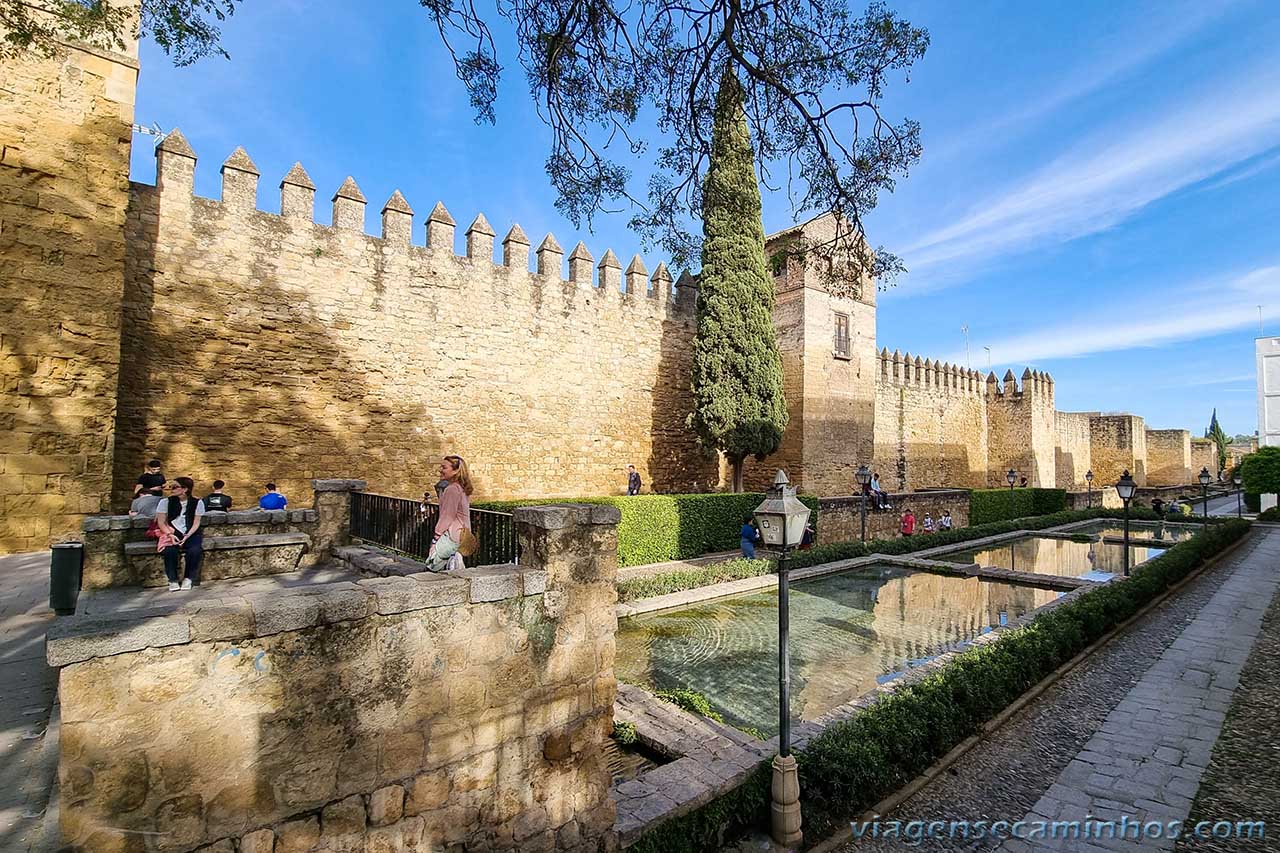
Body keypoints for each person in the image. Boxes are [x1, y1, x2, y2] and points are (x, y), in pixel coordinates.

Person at [155, 477, 205, 591]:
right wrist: (169, 534)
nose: (171, 489)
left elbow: (196, 522)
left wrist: (188, 535)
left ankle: (188, 578)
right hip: (171, 532)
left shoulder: (198, 502)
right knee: (170, 551)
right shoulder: (165, 502)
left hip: (190, 532)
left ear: (185, 489)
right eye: (171, 487)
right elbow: (161, 522)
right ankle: (172, 579)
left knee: (195, 550)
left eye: (175, 487)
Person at [428, 455, 473, 572]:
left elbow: (447, 517)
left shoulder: (452, 489)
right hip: (462, 535)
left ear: (456, 470)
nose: (440, 470)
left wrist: (436, 538)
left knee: (432, 566)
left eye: (444, 467)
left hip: (451, 536)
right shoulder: (461, 488)